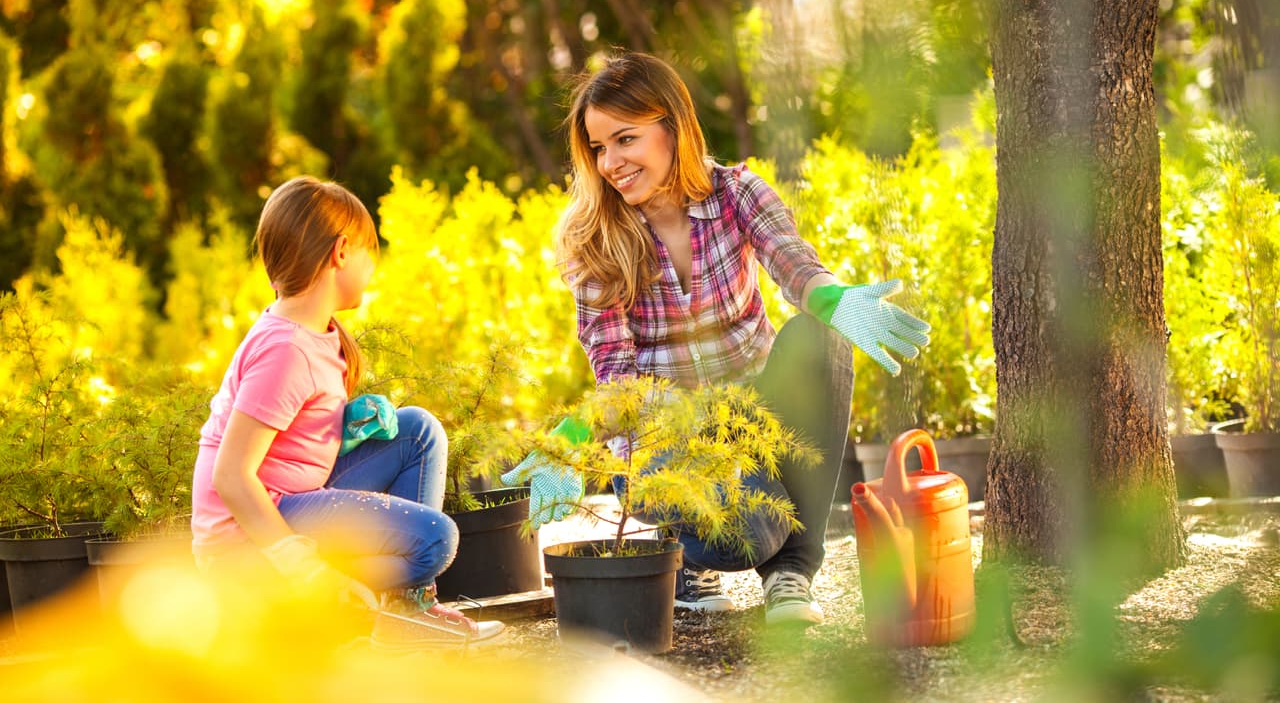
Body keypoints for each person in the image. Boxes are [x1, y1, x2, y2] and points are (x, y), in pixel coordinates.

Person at [504, 51, 929, 627]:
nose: (611, 162)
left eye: (625, 139)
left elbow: (795, 266)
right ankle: (686, 558)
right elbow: (616, 374)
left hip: (759, 420)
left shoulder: (738, 193)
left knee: (820, 336)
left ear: (672, 126)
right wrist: (572, 439)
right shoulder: (593, 240)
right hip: (670, 440)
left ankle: (792, 575)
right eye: (599, 148)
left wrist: (834, 301)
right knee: (744, 535)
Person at [190, 176, 504, 648]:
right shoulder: (287, 349)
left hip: (290, 501)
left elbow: (289, 432)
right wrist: (307, 571)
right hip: (246, 543)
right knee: (436, 540)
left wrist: (344, 425)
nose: (372, 267)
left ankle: (405, 609)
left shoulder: (316, 331)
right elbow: (232, 477)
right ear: (340, 252)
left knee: (419, 430)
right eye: (368, 252)